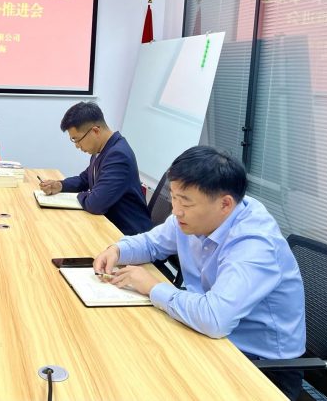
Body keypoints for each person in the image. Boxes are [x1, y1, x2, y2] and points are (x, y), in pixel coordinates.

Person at [93, 146, 306, 400]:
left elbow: (215, 319)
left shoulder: (254, 244)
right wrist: (117, 250)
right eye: (174, 197)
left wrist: (151, 286)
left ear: (225, 204)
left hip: (260, 367)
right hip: (211, 338)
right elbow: (152, 243)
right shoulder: (195, 216)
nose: (176, 210)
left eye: (186, 202)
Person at [39, 101, 152, 235]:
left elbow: (96, 204)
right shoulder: (103, 149)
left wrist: (80, 195)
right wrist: (60, 185)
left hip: (128, 234)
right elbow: (85, 179)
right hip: (108, 226)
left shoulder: (118, 155)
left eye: (77, 139)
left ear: (95, 131)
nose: (77, 146)